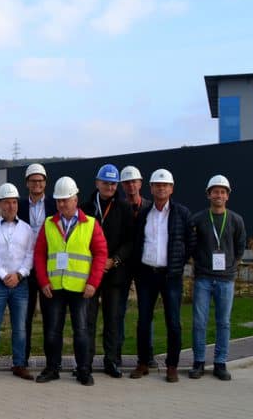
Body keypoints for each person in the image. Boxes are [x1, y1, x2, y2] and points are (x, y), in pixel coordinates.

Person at [34, 177, 107, 386]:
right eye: (58, 200)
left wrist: (93, 283)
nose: (61, 204)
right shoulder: (49, 224)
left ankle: (83, 370)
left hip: (80, 288)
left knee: (82, 331)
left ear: (75, 199)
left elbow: (101, 254)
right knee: (52, 331)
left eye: (65, 200)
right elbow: (39, 254)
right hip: (54, 288)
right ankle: (52, 368)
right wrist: (43, 281)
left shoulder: (90, 224)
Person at [130, 169, 191, 383]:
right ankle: (143, 362)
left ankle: (172, 366)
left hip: (170, 276)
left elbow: (190, 242)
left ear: (171, 188)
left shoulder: (182, 213)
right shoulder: (144, 213)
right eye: (157, 185)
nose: (161, 188)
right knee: (143, 321)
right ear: (151, 188)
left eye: (165, 185)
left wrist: (178, 262)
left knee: (173, 322)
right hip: (147, 274)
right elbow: (137, 241)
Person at [188, 175, 246, 381]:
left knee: (224, 323)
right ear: (208, 194)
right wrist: (198, 264)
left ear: (227, 196)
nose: (218, 195)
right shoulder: (198, 219)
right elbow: (191, 245)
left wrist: (231, 267)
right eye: (215, 191)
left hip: (225, 279)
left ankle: (220, 363)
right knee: (199, 322)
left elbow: (240, 248)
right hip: (203, 278)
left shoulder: (236, 220)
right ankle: (199, 362)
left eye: (222, 192)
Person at [0, 183, 36, 381]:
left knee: (20, 328)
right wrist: (4, 275)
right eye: (6, 202)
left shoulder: (27, 230)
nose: (11, 206)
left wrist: (19, 274)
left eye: (14, 202)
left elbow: (30, 255)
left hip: (20, 284)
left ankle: (19, 364)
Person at [81, 164, 133, 378]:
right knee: (88, 320)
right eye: (106, 183)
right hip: (90, 273)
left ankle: (111, 361)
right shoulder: (85, 207)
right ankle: (85, 362)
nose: (110, 187)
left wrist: (116, 260)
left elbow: (131, 240)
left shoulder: (124, 207)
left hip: (114, 273)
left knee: (112, 319)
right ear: (97, 183)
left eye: (113, 184)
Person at [17, 163, 56, 369]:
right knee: (25, 318)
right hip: (25, 267)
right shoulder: (19, 206)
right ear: (27, 183)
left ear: (45, 183)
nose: (37, 184)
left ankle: (52, 362)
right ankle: (22, 360)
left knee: (50, 318)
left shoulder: (54, 205)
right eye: (33, 181)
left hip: (48, 268)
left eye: (40, 181)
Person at [119, 166, 157, 369]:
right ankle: (116, 354)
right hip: (123, 266)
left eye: (134, 181)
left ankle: (147, 354)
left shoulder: (150, 208)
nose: (131, 185)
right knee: (118, 311)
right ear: (122, 185)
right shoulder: (118, 207)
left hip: (144, 267)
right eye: (127, 182)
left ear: (141, 183)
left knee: (146, 312)